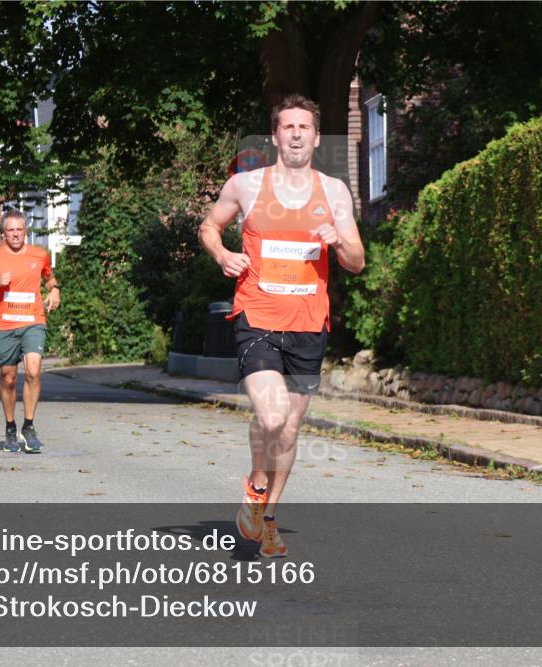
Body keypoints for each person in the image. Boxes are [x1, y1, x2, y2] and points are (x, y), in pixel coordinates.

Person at [199, 94, 365, 557]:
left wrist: (338, 242)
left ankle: (267, 518)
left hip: (310, 323)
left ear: (315, 137)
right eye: (287, 127)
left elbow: (357, 262)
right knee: (271, 417)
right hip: (258, 315)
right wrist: (223, 254)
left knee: (289, 431)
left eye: (304, 127)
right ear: (275, 136)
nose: (295, 134)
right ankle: (255, 486)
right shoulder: (246, 186)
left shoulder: (333, 192)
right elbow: (209, 227)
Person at [0, 211, 60, 454]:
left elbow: (49, 279)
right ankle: (11, 428)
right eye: (10, 230)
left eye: (19, 229)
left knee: (33, 371)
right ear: (4, 233)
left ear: (26, 231)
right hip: (6, 326)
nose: (15, 234)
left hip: (34, 322)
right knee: (8, 379)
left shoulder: (39, 255)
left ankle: (29, 426)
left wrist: (55, 291)